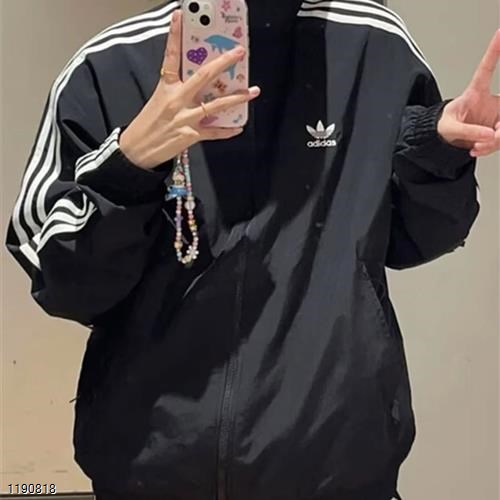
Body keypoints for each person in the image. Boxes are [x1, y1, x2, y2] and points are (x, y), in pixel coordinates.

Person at [5, 0, 499, 498]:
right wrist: (128, 164)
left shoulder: (372, 42)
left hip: (338, 470)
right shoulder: (110, 62)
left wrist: (436, 151)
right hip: (148, 470)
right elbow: (65, 285)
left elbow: (419, 238)